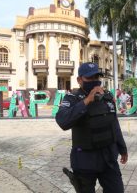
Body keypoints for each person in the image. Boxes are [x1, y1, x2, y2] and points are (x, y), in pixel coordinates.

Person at [55, 62, 128, 193]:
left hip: (108, 159)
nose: (94, 81)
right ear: (79, 80)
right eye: (89, 78)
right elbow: (63, 121)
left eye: (96, 78)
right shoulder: (72, 98)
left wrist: (122, 148)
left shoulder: (107, 97)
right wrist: (87, 100)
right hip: (85, 161)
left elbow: (114, 124)